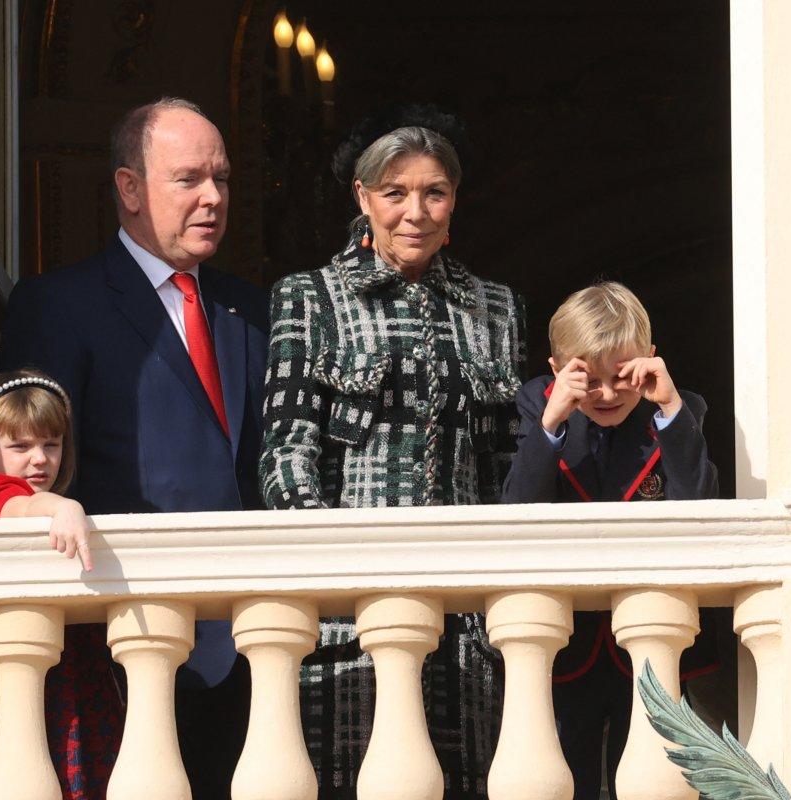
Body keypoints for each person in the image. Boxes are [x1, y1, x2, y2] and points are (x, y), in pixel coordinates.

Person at [0, 97, 268, 797]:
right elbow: (27, 462)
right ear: (129, 188)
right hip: (123, 634)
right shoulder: (59, 304)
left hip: (252, 642)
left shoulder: (251, 310)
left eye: (222, 179)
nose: (213, 197)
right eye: (189, 179)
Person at [260, 117, 526, 798]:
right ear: (363, 197)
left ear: (454, 200)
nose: (416, 211)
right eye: (395, 192)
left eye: (434, 192)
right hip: (349, 621)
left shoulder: (497, 309)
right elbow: (287, 456)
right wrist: (336, 576)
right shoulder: (309, 297)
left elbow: (507, 473)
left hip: (466, 627)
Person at [501, 280, 721, 800]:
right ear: (558, 370)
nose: (605, 394)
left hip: (650, 637)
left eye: (621, 377)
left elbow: (700, 509)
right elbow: (517, 510)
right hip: (566, 640)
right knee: (561, 776)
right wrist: (553, 420)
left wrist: (670, 412)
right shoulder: (538, 405)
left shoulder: (679, 411)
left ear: (649, 359)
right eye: (588, 379)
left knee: (653, 776)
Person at [0, 369, 123, 799]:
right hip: (23, 670)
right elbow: (17, 505)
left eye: (52, 444)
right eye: (20, 446)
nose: (40, 458)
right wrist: (63, 508)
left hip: (70, 672)